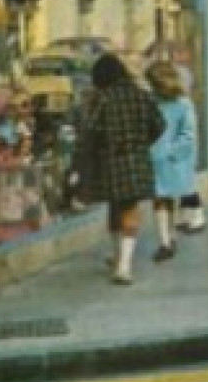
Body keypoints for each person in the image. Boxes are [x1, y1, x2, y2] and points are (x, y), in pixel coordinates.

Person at [70, 53, 165, 285]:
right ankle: (123, 262)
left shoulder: (103, 99)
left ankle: (120, 259)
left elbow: (92, 132)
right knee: (130, 208)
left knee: (116, 208)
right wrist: (143, 142)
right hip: (137, 159)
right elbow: (160, 125)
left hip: (110, 160)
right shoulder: (143, 96)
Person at [146, 60, 204, 256]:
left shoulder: (182, 104)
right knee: (161, 198)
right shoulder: (153, 102)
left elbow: (188, 134)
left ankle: (167, 240)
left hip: (171, 159)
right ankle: (166, 239)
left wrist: (171, 151)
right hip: (157, 157)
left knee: (164, 198)